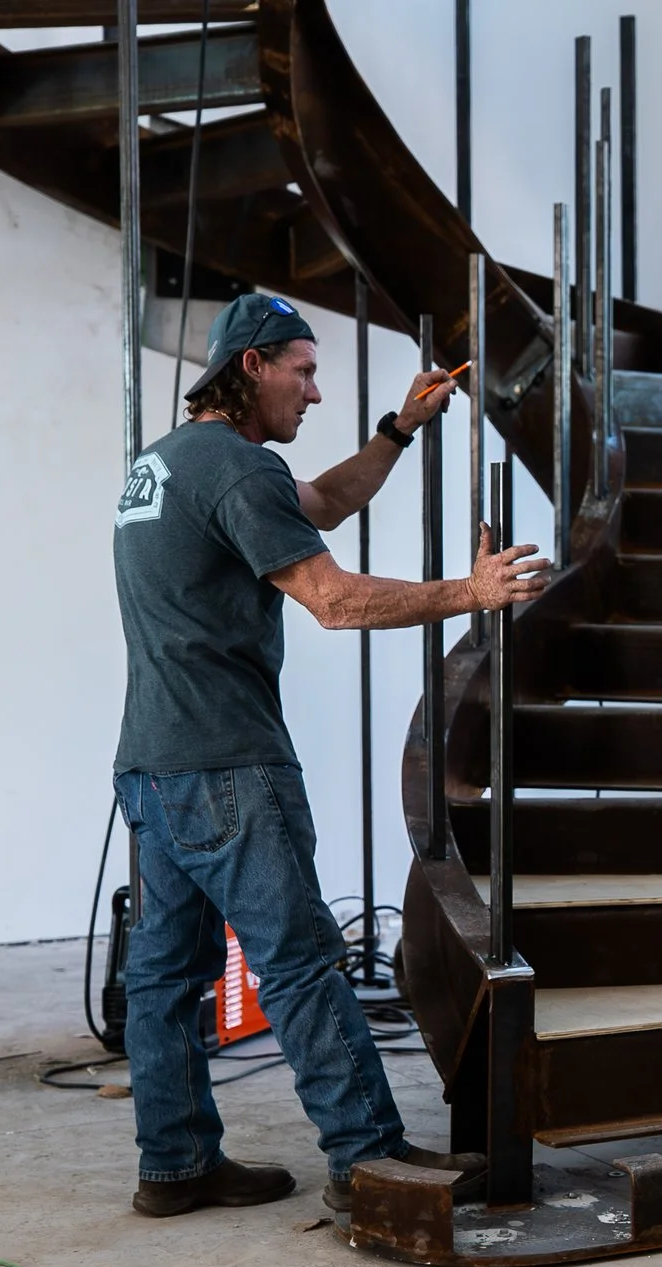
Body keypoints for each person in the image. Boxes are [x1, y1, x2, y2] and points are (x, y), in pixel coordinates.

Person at [112, 292, 546, 1218]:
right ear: (252, 366)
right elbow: (335, 600)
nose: (314, 393)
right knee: (303, 964)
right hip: (229, 764)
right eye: (303, 372)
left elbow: (321, 502)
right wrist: (471, 590)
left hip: (152, 764)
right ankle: (370, 1159)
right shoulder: (236, 472)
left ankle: (176, 1164)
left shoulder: (167, 465)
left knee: (163, 977)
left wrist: (400, 428)